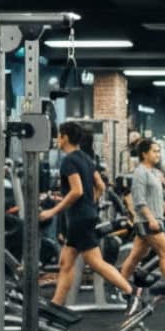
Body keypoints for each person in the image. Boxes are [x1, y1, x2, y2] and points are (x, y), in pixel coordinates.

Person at [39, 122, 140, 310]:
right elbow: (100, 186)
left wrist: (52, 212)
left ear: (65, 137)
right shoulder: (86, 158)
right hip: (85, 216)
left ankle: (131, 292)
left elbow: (76, 191)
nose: (57, 140)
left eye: (59, 136)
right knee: (66, 262)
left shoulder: (69, 161)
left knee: (94, 262)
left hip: (78, 219)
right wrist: (90, 203)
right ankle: (55, 307)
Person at [119, 139, 165, 283]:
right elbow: (139, 201)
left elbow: (159, 199)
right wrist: (151, 219)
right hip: (147, 222)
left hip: (153, 220)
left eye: (159, 151)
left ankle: (121, 286)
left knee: (134, 257)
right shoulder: (140, 173)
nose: (158, 154)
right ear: (144, 154)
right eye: (154, 151)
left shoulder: (154, 172)